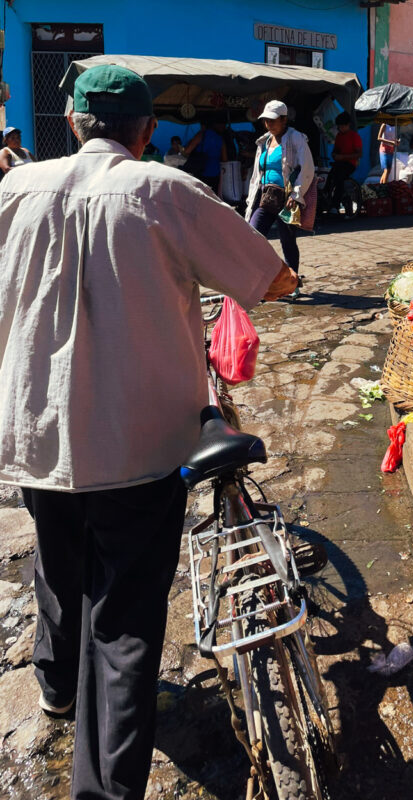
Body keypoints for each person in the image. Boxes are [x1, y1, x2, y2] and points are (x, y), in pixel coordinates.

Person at [0, 64, 296, 800]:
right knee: (125, 618)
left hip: (37, 434)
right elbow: (270, 277)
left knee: (58, 561)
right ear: (145, 131)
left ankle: (55, 690)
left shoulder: (12, 190)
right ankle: (104, 788)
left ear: (70, 123)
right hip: (140, 443)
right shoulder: (164, 189)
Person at [245, 100, 316, 294]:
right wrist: (250, 199)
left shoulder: (296, 139)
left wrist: (297, 194)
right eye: (266, 120)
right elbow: (256, 174)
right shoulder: (264, 142)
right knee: (253, 235)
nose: (269, 124)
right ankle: (264, 279)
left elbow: (307, 168)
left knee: (287, 241)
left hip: (288, 199)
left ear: (284, 119)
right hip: (267, 197)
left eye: (273, 120)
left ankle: (292, 283)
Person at [324, 112, 362, 214]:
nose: (340, 128)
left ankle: (335, 205)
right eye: (339, 127)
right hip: (339, 163)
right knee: (331, 176)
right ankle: (326, 195)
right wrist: (334, 154)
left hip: (350, 164)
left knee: (339, 178)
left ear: (348, 125)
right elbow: (335, 149)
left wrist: (343, 157)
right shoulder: (339, 136)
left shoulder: (354, 136)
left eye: (342, 126)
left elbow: (359, 154)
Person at [182, 115, 228, 192]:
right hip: (215, 173)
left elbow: (187, 151)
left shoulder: (201, 135)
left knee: (200, 195)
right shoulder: (220, 138)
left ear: (203, 125)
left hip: (201, 171)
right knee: (213, 196)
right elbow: (225, 159)